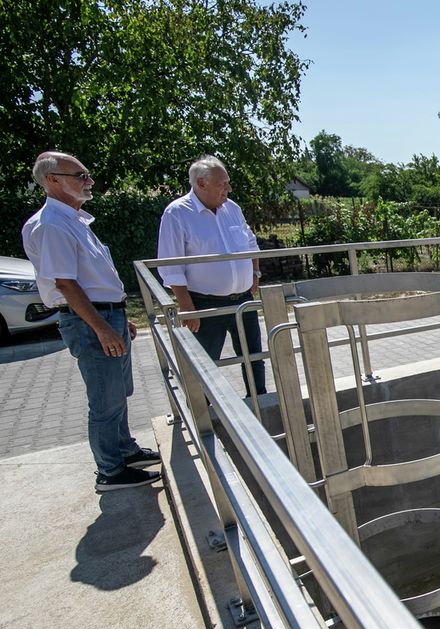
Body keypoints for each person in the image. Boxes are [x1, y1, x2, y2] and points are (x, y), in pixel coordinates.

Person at [21, 151, 161, 491]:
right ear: (52, 180)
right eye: (80, 176)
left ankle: (124, 451)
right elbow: (66, 284)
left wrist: (117, 318)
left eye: (87, 175)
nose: (89, 181)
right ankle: (110, 471)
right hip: (90, 322)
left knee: (117, 392)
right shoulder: (52, 225)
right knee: (105, 399)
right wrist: (101, 326)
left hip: (105, 315)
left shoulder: (73, 220)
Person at [157, 156, 266, 396]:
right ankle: (205, 412)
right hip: (205, 303)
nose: (228, 188)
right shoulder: (177, 213)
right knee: (206, 362)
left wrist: (254, 273)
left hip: (243, 299)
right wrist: (186, 306)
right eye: (222, 184)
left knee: (254, 356)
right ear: (201, 184)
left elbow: (250, 243)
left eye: (227, 183)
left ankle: (259, 402)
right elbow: (170, 265)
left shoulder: (232, 208)